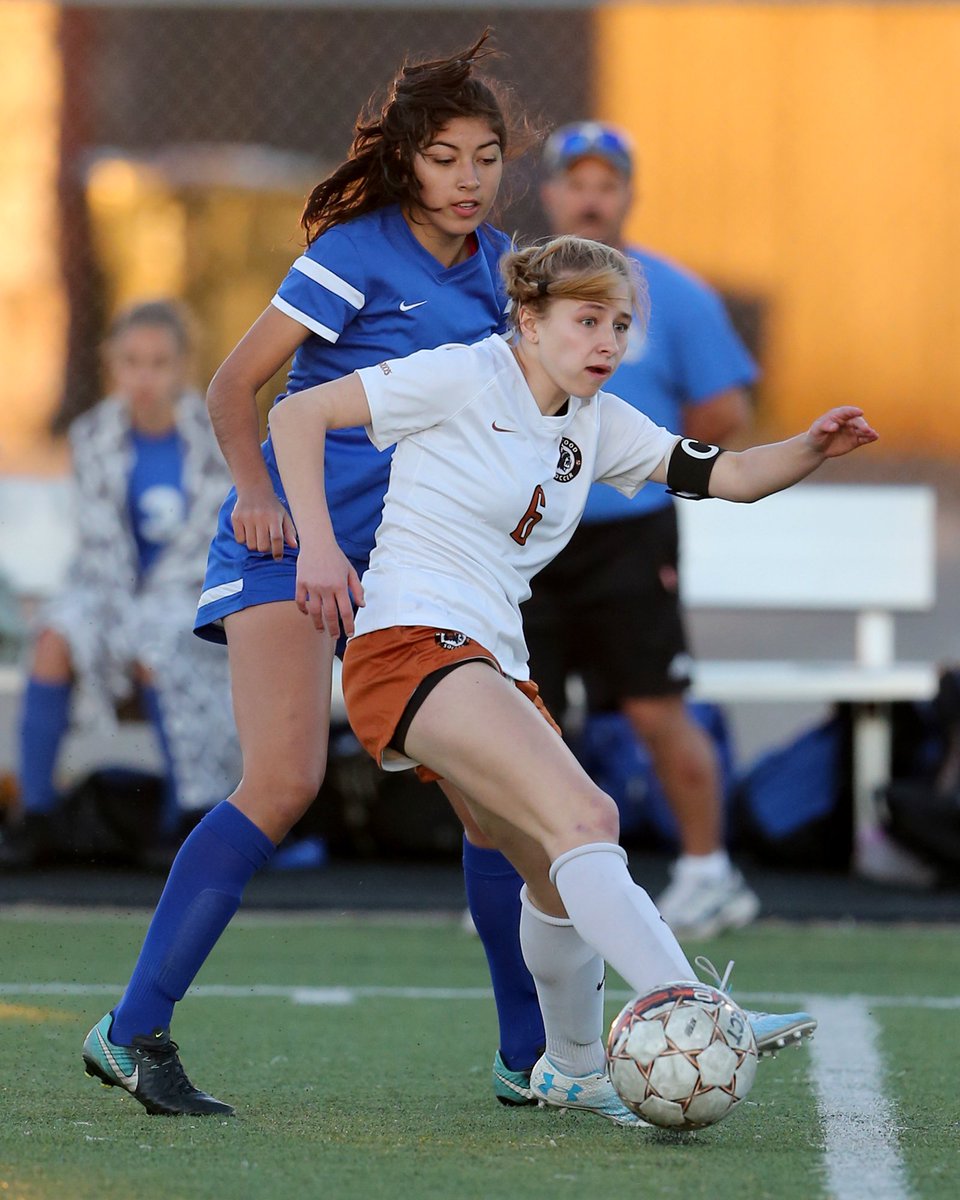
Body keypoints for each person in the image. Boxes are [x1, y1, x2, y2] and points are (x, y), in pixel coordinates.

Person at [266, 234, 873, 1121]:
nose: (606, 341)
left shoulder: (600, 421)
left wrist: (812, 446)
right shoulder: (465, 373)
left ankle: (572, 1066)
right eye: (586, 320)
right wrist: (317, 547)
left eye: (620, 324)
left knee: (552, 868)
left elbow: (732, 474)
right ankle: (696, 1005)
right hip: (409, 643)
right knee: (590, 817)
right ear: (529, 320)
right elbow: (294, 415)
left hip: (489, 662)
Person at [81, 32, 549, 1118]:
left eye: (486, 156)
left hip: (406, 571)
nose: (470, 177)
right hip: (292, 549)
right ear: (406, 161)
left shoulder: (498, 272)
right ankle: (131, 1027)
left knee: (488, 804)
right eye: (445, 155)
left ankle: (528, 1059)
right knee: (284, 781)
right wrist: (260, 498)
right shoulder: (355, 248)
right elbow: (234, 386)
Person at [525, 121, 761, 938]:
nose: (591, 196)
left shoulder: (672, 292)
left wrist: (642, 458)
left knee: (656, 707)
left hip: (629, 537)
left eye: (607, 183)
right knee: (528, 716)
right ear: (550, 193)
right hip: (527, 536)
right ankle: (540, 881)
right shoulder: (516, 291)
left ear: (628, 195)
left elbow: (724, 408)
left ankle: (708, 873)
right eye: (575, 181)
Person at [0, 301, 239, 871]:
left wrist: (141, 619)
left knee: (158, 643)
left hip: (186, 595)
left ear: (182, 367)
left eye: (158, 363)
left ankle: (183, 815)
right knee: (57, 634)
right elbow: (100, 547)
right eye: (131, 362)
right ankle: (36, 814)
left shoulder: (213, 439)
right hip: (108, 590)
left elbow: (209, 542)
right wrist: (120, 616)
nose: (144, 377)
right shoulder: (93, 436)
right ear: (113, 365)